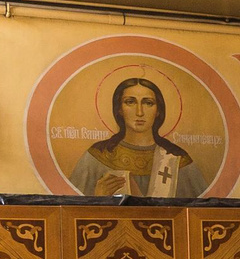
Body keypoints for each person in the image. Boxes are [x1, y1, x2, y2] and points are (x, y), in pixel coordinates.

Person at [71, 77, 207, 199]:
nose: (139, 112)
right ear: (119, 109)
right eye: (130, 102)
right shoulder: (96, 156)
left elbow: (205, 209)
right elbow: (71, 208)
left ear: (158, 110)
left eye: (148, 103)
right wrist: (98, 198)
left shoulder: (178, 160)